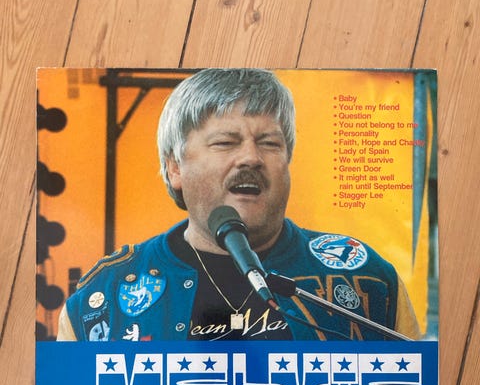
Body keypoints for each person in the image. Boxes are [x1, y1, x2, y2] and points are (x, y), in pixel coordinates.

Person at [57, 68, 420, 342]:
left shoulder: (368, 277)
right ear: (175, 168)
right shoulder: (101, 297)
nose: (251, 157)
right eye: (225, 142)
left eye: (270, 143)